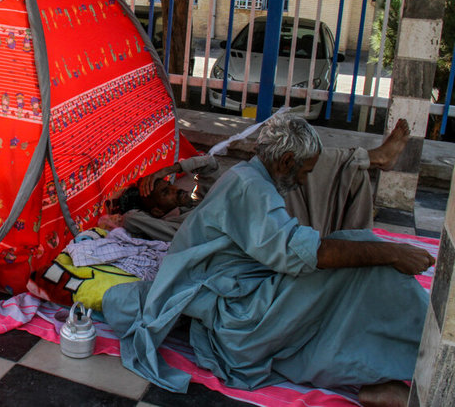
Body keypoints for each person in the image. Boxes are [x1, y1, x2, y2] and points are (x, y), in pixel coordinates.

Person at [102, 114, 433, 407]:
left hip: (245, 297)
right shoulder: (250, 188)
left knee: (355, 253)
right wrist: (394, 252)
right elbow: (306, 254)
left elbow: (287, 245)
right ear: (286, 161)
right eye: (304, 171)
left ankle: (389, 371)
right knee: (366, 267)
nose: (305, 180)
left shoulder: (251, 176)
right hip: (239, 321)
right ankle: (431, 361)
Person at [118, 117, 411, 240]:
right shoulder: (174, 228)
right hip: (259, 224)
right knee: (302, 166)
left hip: (265, 200)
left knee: (307, 165)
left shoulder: (198, 198)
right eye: (165, 193)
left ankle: (364, 164)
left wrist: (168, 170)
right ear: (156, 210)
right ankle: (371, 159)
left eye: (169, 185)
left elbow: (208, 163)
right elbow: (130, 220)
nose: (173, 189)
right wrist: (125, 210)